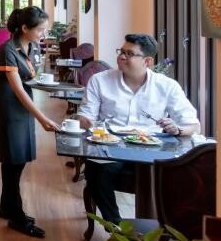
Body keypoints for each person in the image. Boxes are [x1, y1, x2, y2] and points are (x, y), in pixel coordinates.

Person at [77, 33, 199, 226]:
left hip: (151, 146)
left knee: (180, 174)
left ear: (147, 61)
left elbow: (193, 125)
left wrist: (177, 129)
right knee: (96, 170)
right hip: (112, 144)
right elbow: (86, 116)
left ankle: (166, 230)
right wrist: (85, 122)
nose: (121, 57)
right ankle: (117, 228)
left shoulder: (167, 86)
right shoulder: (100, 80)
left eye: (129, 54)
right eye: (121, 51)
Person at [0, 6, 60, 238]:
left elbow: (30, 77)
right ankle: (17, 216)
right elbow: (18, 89)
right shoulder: (7, 50)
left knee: (18, 159)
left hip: (23, 107)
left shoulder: (32, 46)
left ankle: (6, 207)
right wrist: (42, 118)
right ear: (24, 28)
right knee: (12, 160)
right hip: (10, 108)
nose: (43, 34)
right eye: (40, 30)